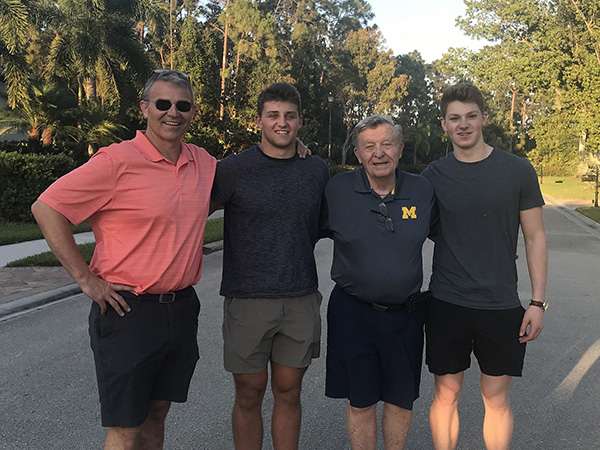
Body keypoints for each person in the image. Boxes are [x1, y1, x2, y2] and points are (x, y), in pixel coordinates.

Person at [31, 69, 216, 450]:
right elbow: (47, 207)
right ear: (145, 108)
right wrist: (86, 279)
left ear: (193, 112)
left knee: (158, 412)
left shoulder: (204, 163)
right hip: (127, 310)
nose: (173, 113)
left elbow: (253, 170)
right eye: (162, 104)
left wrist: (292, 149)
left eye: (182, 105)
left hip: (180, 309)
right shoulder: (116, 161)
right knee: (126, 425)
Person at [422, 82, 548, 450]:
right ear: (443, 124)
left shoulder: (518, 171)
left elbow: (536, 238)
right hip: (447, 303)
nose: (463, 125)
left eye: (471, 117)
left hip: (500, 304)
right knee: (446, 396)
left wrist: (537, 303)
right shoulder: (432, 177)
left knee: (496, 399)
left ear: (484, 119)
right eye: (454, 118)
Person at [210, 82, 330, 450]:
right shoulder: (233, 170)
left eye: (289, 116)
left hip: (300, 297)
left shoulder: (316, 170)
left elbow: (326, 225)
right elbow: (186, 212)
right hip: (248, 299)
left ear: (300, 121)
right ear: (259, 120)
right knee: (249, 394)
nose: (282, 123)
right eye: (274, 115)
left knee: (289, 392)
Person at [320, 115, 435, 449]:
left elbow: (450, 236)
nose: (379, 153)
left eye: (387, 144)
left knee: (401, 399)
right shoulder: (337, 190)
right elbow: (302, 231)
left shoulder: (422, 190)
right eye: (369, 146)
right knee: (361, 399)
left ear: (400, 149)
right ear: (357, 153)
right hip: (353, 313)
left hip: (407, 315)